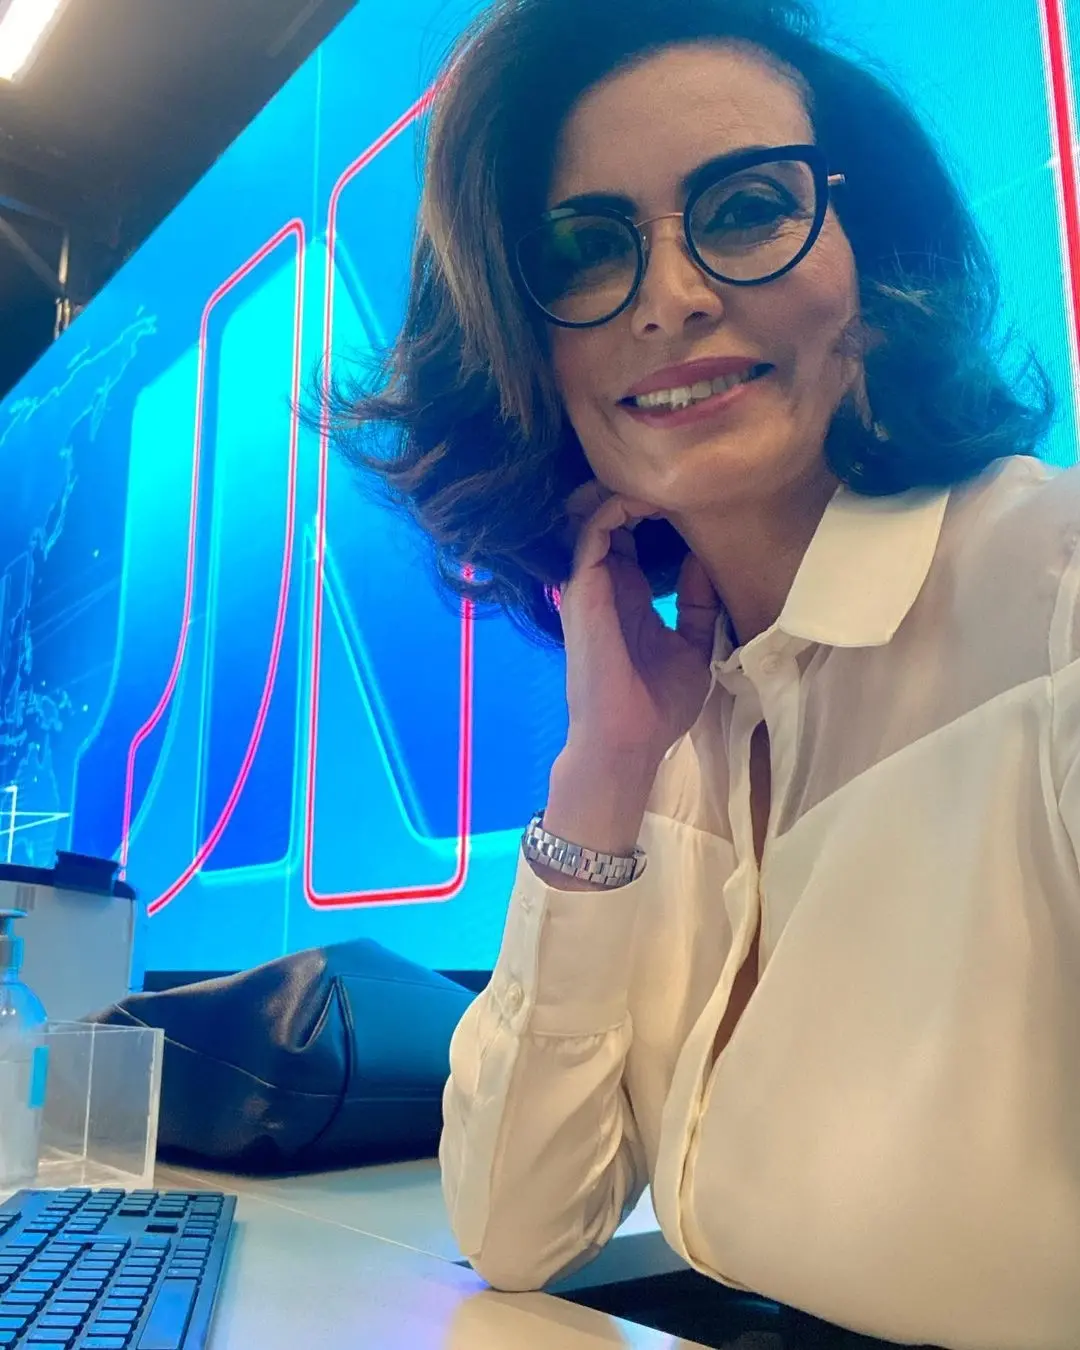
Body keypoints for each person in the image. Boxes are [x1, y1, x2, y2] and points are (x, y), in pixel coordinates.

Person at [334, 0, 1079, 1345]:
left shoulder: (1059, 603)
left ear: (873, 260)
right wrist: (604, 774)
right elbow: (515, 1223)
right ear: (523, 353)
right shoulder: (674, 719)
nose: (672, 296)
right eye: (584, 248)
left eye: (745, 209)